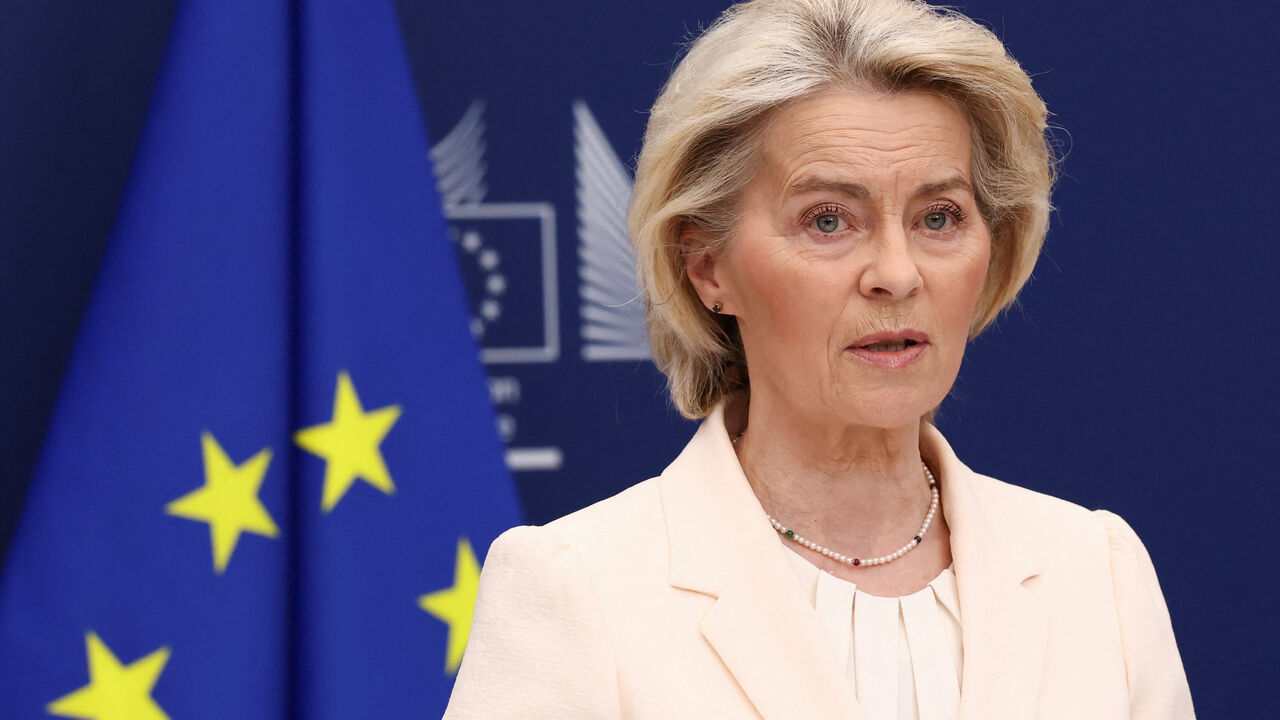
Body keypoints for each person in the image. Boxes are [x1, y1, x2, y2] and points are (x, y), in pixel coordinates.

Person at [444, 0, 1195, 717]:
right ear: (706, 266)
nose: (896, 273)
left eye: (939, 218)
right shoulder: (579, 588)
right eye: (828, 220)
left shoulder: (1095, 572)